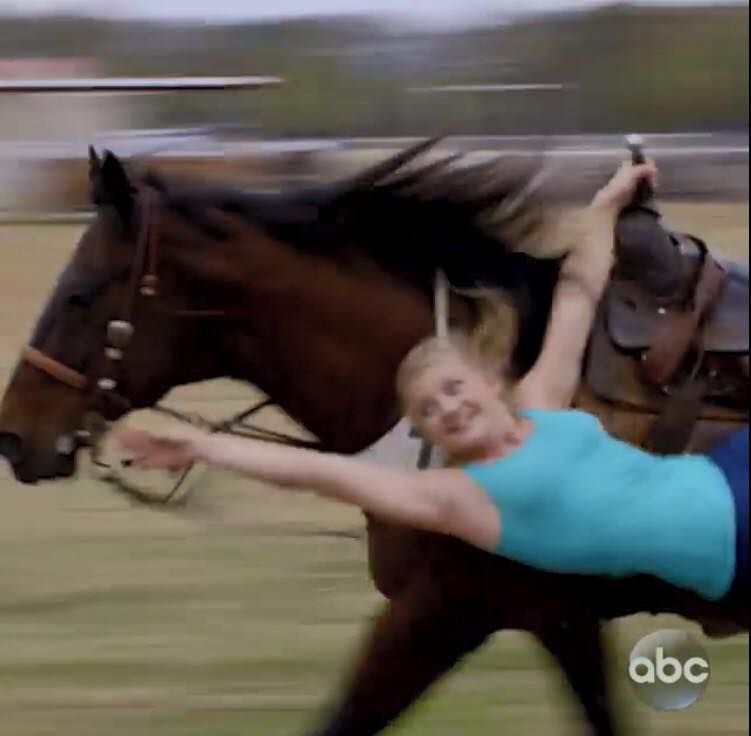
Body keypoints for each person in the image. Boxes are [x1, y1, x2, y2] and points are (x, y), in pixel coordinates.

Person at [115, 160, 748, 604]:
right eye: (427, 410)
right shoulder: (458, 500)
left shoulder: (541, 404)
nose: (447, 407)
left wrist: (608, 203)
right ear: (423, 433)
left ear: (490, 379)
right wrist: (202, 445)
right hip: (733, 547)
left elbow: (577, 295)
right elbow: (320, 473)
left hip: (729, 470)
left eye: (452, 387)